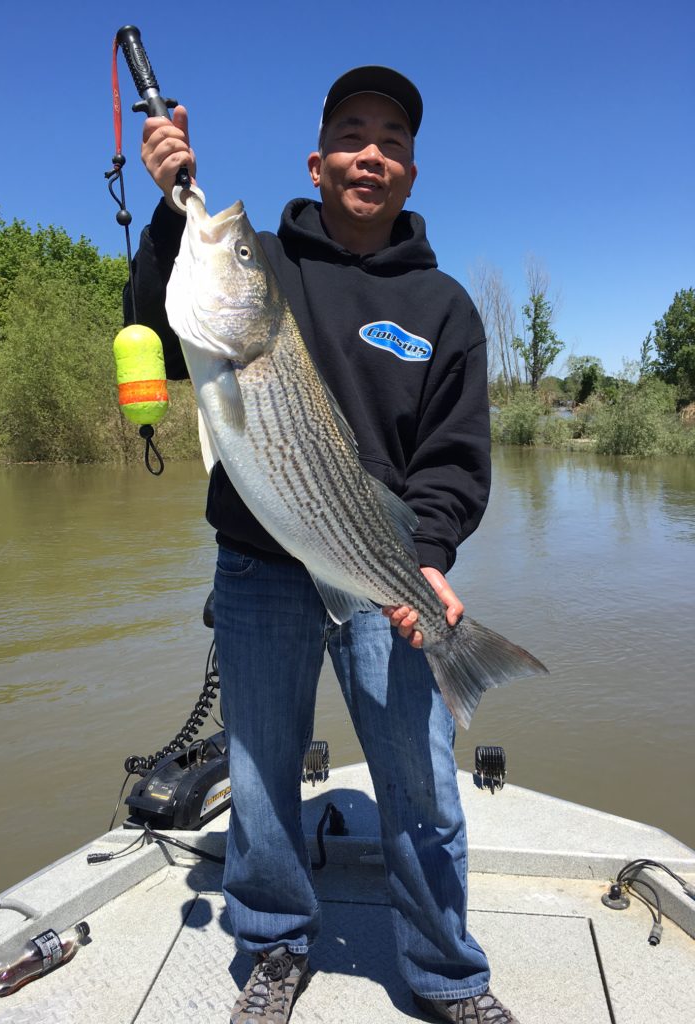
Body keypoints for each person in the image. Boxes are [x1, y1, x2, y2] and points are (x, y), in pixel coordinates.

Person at [127, 66, 520, 1024]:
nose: (370, 153)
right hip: (260, 569)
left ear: (412, 173)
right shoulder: (257, 259)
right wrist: (173, 207)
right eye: (351, 133)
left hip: (380, 569)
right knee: (260, 773)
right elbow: (155, 308)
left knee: (420, 779)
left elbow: (456, 458)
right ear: (319, 159)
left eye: (391, 139)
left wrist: (427, 555)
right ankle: (272, 945)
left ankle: (445, 973)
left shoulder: (445, 309)